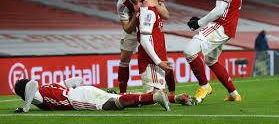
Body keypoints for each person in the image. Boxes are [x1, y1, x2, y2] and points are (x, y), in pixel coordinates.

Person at [184, 0, 242, 103]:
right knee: (211, 60)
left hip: (221, 25)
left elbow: (219, 11)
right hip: (228, 27)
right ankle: (234, 94)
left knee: (190, 51)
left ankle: (204, 86)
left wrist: (199, 23)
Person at [136, 0, 195, 106]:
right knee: (154, 101)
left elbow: (155, 33)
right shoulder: (148, 11)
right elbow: (144, 40)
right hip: (152, 62)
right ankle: (117, 96)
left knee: (156, 99)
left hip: (157, 61)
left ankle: (119, 96)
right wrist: (158, 62)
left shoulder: (154, 9)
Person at [116, 0, 176, 95]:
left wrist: (152, 5)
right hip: (133, 30)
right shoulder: (122, 4)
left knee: (164, 58)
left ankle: (172, 92)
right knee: (124, 60)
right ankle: (122, 94)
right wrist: (136, 14)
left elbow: (166, 15)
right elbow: (127, 29)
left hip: (149, 26)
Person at [14, 77, 170, 112]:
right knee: (118, 97)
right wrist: (81, 89)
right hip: (83, 90)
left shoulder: (37, 94)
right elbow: (77, 80)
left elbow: (32, 84)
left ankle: (155, 97)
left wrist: (25, 108)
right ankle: (172, 98)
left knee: (109, 105)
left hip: (76, 99)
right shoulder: (51, 87)